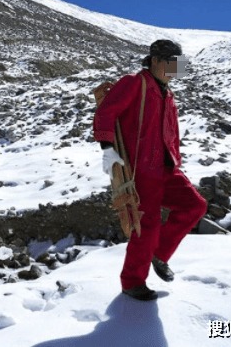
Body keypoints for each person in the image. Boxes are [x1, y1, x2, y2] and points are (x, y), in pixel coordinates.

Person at [93, 40, 207, 301]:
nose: (174, 70)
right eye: (171, 64)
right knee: (147, 225)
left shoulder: (167, 93)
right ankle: (132, 281)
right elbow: (106, 113)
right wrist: (107, 147)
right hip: (141, 170)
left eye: (178, 66)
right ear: (154, 60)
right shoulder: (134, 83)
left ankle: (159, 254)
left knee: (195, 206)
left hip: (166, 168)